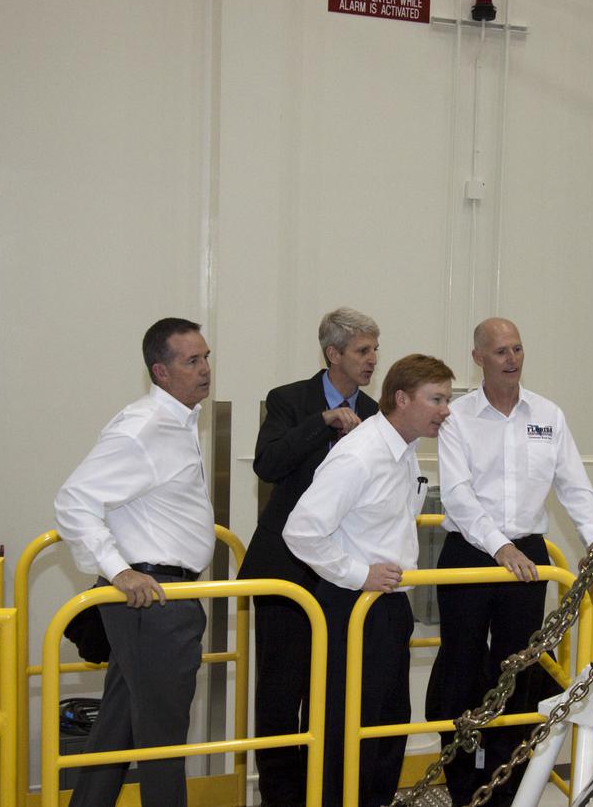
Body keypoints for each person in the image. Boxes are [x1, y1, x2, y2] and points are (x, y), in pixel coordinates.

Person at [424, 317, 593, 807]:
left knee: (520, 669)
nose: (511, 360)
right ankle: (463, 785)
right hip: (471, 553)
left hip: (528, 558)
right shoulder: (457, 417)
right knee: (462, 667)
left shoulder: (548, 415)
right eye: (500, 352)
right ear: (478, 359)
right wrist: (498, 547)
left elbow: (576, 489)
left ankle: (509, 788)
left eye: (517, 350)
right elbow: (460, 497)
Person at [54, 317, 216, 807]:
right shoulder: (146, 426)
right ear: (160, 372)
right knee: (163, 743)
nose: (206, 369)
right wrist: (120, 570)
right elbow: (74, 501)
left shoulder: (178, 422)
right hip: (155, 603)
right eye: (192, 361)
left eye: (207, 357)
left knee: (119, 727)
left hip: (162, 600)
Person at [283, 354, 453, 807]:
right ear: (401, 398)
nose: (445, 410)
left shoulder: (403, 450)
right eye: (436, 399)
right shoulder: (361, 454)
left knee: (386, 725)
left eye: (447, 399)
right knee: (346, 727)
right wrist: (359, 574)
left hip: (389, 606)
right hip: (351, 605)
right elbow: (301, 530)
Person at [238, 307, 380, 807]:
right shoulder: (289, 400)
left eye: (375, 349)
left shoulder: (378, 412)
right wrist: (322, 423)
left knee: (333, 693)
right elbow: (269, 464)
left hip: (343, 574)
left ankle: (325, 794)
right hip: (285, 572)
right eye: (363, 351)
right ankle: (281, 798)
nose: (372, 360)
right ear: (333, 354)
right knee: (280, 691)